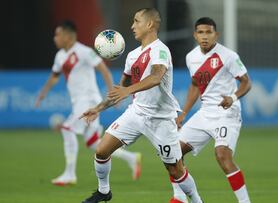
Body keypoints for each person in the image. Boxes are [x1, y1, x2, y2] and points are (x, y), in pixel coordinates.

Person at [80, 8, 204, 203]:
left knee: (176, 169)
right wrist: (98, 108)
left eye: (136, 21)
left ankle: (197, 200)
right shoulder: (132, 55)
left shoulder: (160, 50)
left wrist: (127, 91)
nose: (132, 26)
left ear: (150, 24)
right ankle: (104, 191)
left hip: (161, 119)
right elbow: (121, 89)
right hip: (136, 113)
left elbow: (156, 77)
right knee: (102, 150)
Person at [35, 20, 141, 186]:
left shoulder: (84, 52)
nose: (55, 38)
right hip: (78, 101)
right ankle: (131, 158)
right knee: (94, 143)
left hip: (88, 100)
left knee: (67, 128)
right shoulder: (60, 56)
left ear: (68, 36)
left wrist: (112, 93)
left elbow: (103, 69)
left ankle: (69, 174)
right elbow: (55, 76)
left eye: (58, 34)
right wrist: (43, 93)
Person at [169, 17, 252, 203]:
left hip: (227, 113)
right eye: (201, 32)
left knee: (222, 155)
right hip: (205, 113)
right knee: (173, 152)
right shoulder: (191, 57)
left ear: (216, 34)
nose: (205, 36)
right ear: (195, 35)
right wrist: (183, 113)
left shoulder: (228, 56)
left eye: (209, 32)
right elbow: (194, 85)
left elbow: (247, 82)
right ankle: (180, 198)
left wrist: (233, 97)